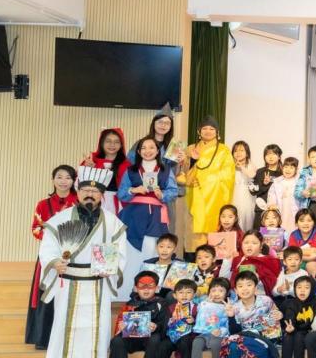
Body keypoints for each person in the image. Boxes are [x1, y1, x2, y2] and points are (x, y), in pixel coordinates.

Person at [37, 165, 126, 358]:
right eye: (85, 190)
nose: (90, 194)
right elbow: (48, 247)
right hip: (69, 282)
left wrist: (111, 267)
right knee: (65, 327)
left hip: (97, 283)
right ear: (77, 192)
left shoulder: (112, 222)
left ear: (102, 195)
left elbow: (120, 251)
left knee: (95, 328)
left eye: (95, 191)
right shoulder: (60, 219)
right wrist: (54, 262)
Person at [25, 164, 79, 349]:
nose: (63, 181)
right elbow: (36, 229)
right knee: (47, 293)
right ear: (53, 179)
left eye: (68, 177)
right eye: (59, 177)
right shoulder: (43, 204)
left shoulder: (78, 203)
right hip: (48, 257)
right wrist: (53, 240)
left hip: (74, 257)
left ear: (74, 181)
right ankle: (44, 338)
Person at [116, 137, 180, 293]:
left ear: (158, 151)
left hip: (156, 217)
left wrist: (162, 195)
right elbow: (121, 193)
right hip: (133, 215)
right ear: (138, 151)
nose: (147, 151)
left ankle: (152, 292)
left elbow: (173, 191)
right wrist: (134, 190)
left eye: (152, 147)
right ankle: (127, 292)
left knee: (153, 251)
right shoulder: (131, 170)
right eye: (143, 148)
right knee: (130, 253)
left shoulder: (165, 170)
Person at [97, 268, 171, 358]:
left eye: (150, 286)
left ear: (157, 288)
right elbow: (120, 322)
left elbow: (165, 324)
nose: (146, 290)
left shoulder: (161, 303)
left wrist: (156, 326)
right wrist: (122, 326)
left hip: (151, 340)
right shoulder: (130, 304)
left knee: (155, 338)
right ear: (136, 288)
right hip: (133, 339)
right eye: (142, 287)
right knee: (117, 340)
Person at [180, 117, 236, 250]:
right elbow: (181, 172)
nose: (208, 131)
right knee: (193, 231)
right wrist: (193, 161)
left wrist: (207, 181)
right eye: (204, 128)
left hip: (215, 198)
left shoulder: (224, 150)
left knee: (215, 228)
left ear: (217, 132)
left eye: (212, 129)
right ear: (199, 131)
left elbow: (228, 175)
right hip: (194, 196)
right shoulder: (190, 149)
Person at [220, 270, 283, 358]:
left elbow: (276, 316)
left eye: (249, 285)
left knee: (234, 341)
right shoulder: (235, 307)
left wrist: (279, 315)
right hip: (246, 339)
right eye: (240, 286)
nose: (244, 289)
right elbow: (235, 332)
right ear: (236, 290)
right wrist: (231, 316)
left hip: (266, 338)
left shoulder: (266, 301)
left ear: (256, 288)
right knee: (233, 343)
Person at [188, 277, 231, 358]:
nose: (216, 293)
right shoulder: (204, 303)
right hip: (204, 334)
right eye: (213, 290)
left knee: (215, 343)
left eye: (221, 291)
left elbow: (227, 325)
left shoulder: (227, 307)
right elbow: (200, 314)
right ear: (209, 292)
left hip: (218, 335)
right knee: (196, 342)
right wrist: (206, 302)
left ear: (227, 293)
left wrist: (221, 331)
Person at [278, 275, 316, 358]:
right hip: (293, 330)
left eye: (306, 287)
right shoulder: (290, 302)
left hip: (309, 332)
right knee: (288, 336)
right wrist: (288, 326)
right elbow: (287, 317)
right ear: (295, 289)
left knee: (299, 336)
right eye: (299, 287)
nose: (302, 290)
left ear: (312, 289)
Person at [81, 128, 129, 213]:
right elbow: (80, 184)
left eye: (116, 142)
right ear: (102, 143)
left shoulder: (126, 164)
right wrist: (88, 168)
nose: (112, 145)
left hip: (119, 204)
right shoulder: (92, 161)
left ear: (121, 145)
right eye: (108, 141)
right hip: (94, 201)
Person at [164, 277, 199, 358]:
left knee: (185, 340)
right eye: (181, 292)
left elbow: (202, 325)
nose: (184, 295)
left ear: (194, 294)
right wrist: (172, 320)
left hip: (189, 336)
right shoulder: (170, 308)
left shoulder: (197, 308)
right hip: (173, 336)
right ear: (175, 295)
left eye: (188, 292)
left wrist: (193, 321)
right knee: (163, 346)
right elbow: (164, 325)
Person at [250, 144, 283, 230]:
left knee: (276, 236)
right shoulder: (260, 172)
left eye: (274, 154)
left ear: (279, 156)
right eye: (268, 154)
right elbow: (253, 192)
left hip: (278, 211)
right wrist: (264, 184)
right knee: (259, 235)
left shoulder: (283, 173)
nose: (270, 157)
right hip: (261, 209)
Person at [265, 156, 301, 230]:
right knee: (281, 229)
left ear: (296, 169)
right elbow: (271, 195)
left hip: (295, 211)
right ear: (282, 167)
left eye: (291, 168)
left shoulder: (299, 182)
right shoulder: (277, 182)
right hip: (281, 210)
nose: (288, 170)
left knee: (295, 229)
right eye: (286, 167)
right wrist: (272, 204)